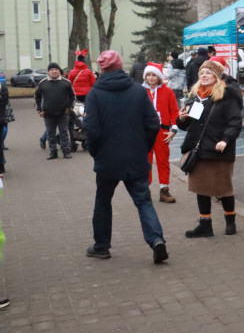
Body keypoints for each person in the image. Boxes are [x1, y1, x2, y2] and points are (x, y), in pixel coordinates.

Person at [83, 50, 168, 264]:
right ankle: (156, 240)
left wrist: (96, 153)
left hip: (107, 159)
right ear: (120, 66)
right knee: (144, 202)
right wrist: (143, 147)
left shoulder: (95, 94)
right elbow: (153, 124)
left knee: (103, 202)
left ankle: (101, 246)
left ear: (102, 68)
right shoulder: (138, 91)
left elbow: (91, 130)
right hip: (136, 156)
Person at [176, 58, 243, 237]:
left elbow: (235, 122)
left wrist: (225, 140)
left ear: (216, 76)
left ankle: (230, 221)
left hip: (219, 149)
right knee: (201, 188)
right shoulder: (195, 95)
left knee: (224, 188)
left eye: (208, 73)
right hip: (198, 150)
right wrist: (181, 119)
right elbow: (189, 125)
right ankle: (205, 224)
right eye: (201, 73)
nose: (204, 75)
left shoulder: (227, 95)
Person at [141, 62, 180, 204]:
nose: (151, 78)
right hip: (145, 132)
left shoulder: (168, 92)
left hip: (162, 131)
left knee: (163, 161)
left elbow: (174, 112)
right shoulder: (140, 92)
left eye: (154, 75)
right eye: (148, 75)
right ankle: (145, 189)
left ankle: (164, 190)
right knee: (145, 162)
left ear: (159, 77)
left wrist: (173, 130)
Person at [35, 63, 75, 160]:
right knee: (50, 133)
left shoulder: (66, 82)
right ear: (48, 72)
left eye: (56, 69)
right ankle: (53, 152)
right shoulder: (42, 83)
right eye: (52, 70)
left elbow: (73, 96)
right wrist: (39, 110)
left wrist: (69, 108)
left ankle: (66, 151)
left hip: (63, 113)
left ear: (59, 71)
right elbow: (37, 97)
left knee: (64, 132)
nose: (54, 71)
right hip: (48, 113)